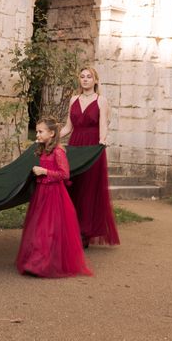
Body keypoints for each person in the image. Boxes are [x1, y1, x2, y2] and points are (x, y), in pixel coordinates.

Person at [16, 117, 92, 277]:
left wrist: (45, 172)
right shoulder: (43, 149)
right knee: (37, 227)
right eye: (36, 131)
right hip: (41, 193)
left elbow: (64, 174)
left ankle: (44, 264)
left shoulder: (58, 151)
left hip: (54, 195)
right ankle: (34, 262)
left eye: (40, 131)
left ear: (51, 133)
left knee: (49, 228)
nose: (37, 134)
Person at [60, 67, 120, 247]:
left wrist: (102, 140)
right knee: (74, 186)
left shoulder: (101, 100)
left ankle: (85, 233)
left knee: (89, 189)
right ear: (79, 80)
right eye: (82, 76)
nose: (85, 79)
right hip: (75, 146)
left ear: (95, 81)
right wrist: (50, 137)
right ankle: (71, 229)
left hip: (92, 148)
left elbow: (103, 125)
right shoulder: (73, 100)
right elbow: (68, 127)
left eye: (89, 77)